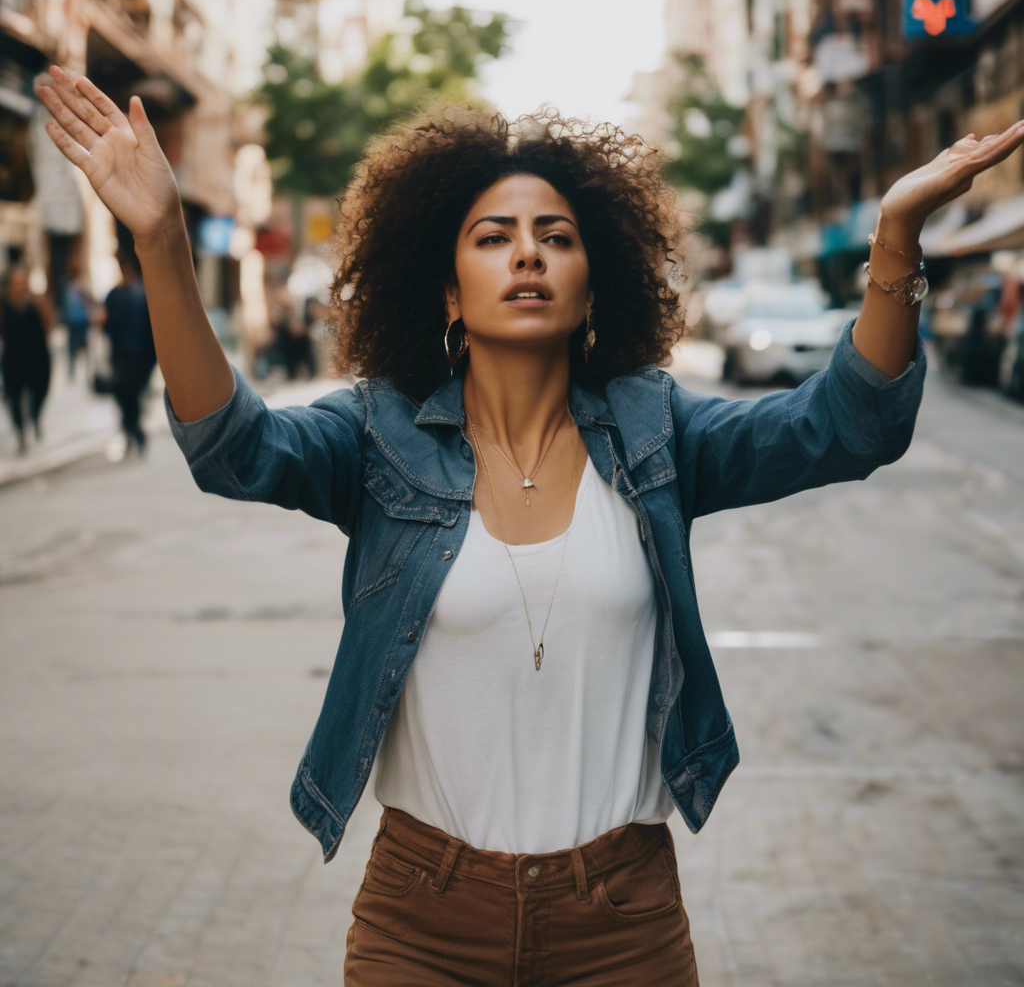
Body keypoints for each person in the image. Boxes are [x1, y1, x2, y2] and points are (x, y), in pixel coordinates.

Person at [36, 63, 1024, 985]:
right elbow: (233, 449)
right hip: (421, 920)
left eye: (556, 237)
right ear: (448, 292)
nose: (527, 254)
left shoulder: (657, 431)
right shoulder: (377, 433)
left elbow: (847, 427)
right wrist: (161, 242)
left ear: (593, 289)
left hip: (623, 920)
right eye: (493, 236)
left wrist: (894, 242)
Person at [100, 246, 157, 454]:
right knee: (123, 395)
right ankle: (133, 431)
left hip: (140, 357)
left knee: (131, 395)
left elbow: (152, 327)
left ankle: (134, 431)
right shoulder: (113, 295)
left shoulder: (142, 293)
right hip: (121, 356)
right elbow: (108, 327)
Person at [0, 262, 54, 455]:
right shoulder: (3, 304)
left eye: (22, 281)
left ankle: (35, 417)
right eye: (15, 282)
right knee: (13, 398)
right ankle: (21, 432)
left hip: (37, 355)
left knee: (40, 391)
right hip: (13, 358)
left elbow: (49, 327)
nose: (19, 286)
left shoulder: (37, 302)